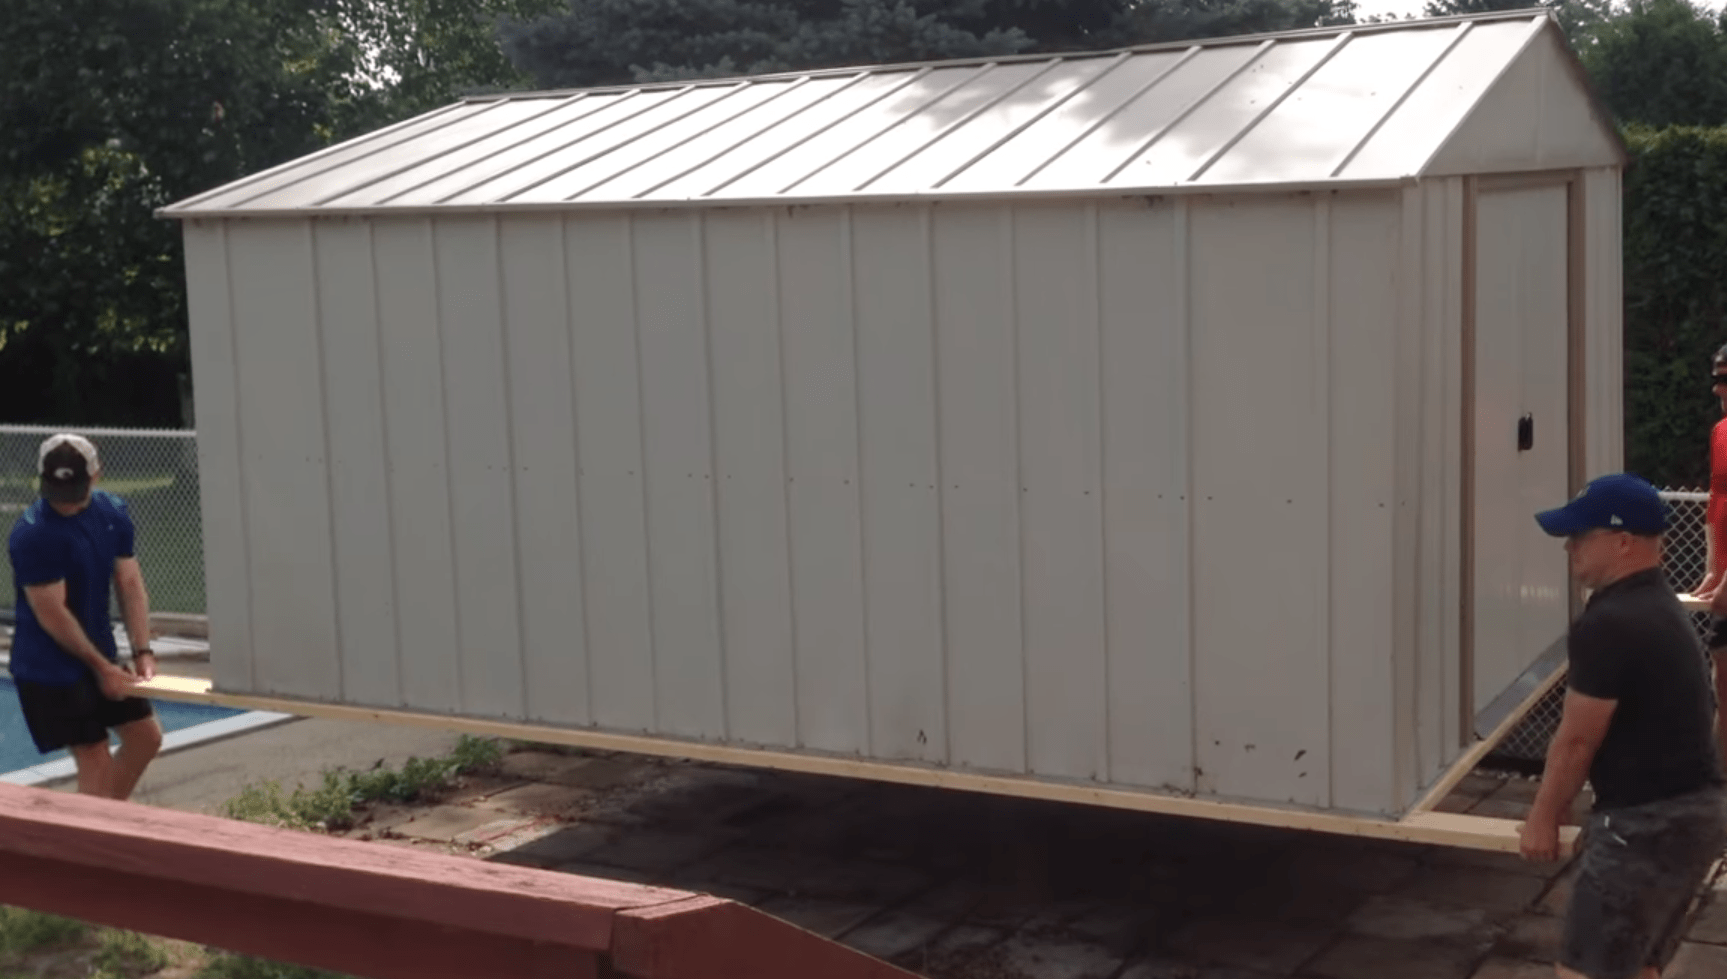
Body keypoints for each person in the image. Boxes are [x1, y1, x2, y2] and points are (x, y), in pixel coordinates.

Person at [1521, 472, 1727, 979]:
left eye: (1579, 536)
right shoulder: (1660, 605)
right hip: (1692, 820)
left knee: (1584, 971)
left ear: (1622, 542)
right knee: (1638, 967)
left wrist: (1544, 817)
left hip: (1645, 828)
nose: (1569, 548)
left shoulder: (1609, 623)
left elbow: (1575, 739)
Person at [6, 433, 162, 799]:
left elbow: (129, 582)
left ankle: (100, 827)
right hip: (48, 667)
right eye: (57, 490)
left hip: (98, 651)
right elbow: (52, 614)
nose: (65, 502)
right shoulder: (33, 534)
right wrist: (103, 668)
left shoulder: (112, 512)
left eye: (75, 489)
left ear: (95, 475)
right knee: (94, 758)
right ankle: (93, 843)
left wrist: (142, 650)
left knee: (145, 737)